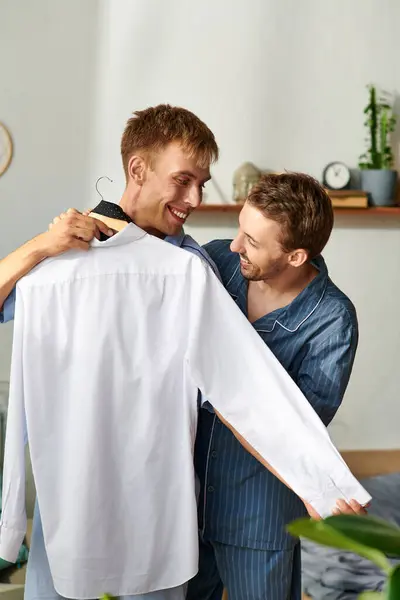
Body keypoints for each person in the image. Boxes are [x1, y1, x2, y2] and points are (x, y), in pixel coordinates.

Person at [0, 105, 366, 598]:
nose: (194, 199)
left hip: (164, 500)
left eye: (203, 183)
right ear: (138, 170)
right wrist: (39, 249)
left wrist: (323, 482)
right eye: (184, 180)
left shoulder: (197, 265)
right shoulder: (60, 259)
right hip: (73, 489)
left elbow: (247, 385)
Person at [187, 172, 360, 600]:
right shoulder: (215, 265)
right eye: (239, 229)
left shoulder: (332, 321)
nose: (234, 246)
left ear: (297, 256)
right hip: (182, 505)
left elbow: (293, 431)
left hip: (258, 518)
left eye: (253, 241)